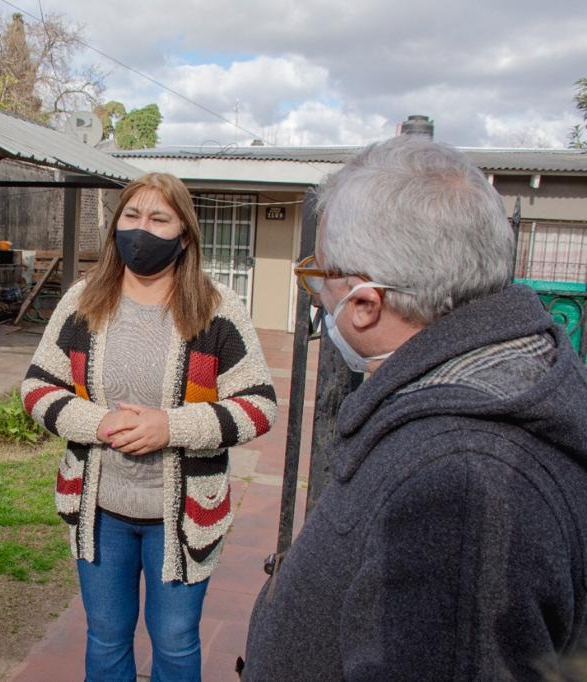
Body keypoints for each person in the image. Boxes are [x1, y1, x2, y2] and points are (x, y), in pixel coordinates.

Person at [241, 136, 587, 679]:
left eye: (319, 276)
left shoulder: (460, 494)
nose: (318, 295)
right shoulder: (481, 402)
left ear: (364, 304)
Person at [22, 172, 277, 681]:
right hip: (99, 510)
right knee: (105, 636)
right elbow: (38, 387)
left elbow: (259, 405)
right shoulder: (82, 301)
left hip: (182, 516)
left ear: (184, 234)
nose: (142, 230)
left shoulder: (216, 308)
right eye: (132, 216)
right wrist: (100, 422)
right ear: (116, 225)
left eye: (159, 219)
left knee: (176, 642)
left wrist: (171, 427)